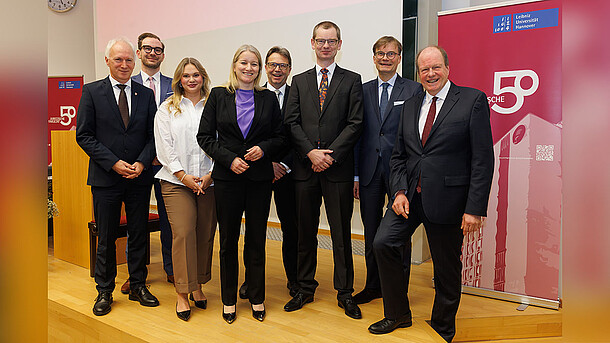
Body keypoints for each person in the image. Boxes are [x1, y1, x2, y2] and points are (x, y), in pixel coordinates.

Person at [369, 46, 494, 342]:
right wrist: (398, 190)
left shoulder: (472, 100)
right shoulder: (410, 105)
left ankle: (442, 327)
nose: (430, 73)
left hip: (450, 200)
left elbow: (482, 159)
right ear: (418, 73)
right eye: (424, 69)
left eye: (435, 67)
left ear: (447, 68)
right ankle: (397, 314)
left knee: (446, 267)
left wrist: (474, 208)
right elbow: (399, 156)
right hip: (410, 197)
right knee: (383, 243)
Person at [197, 44, 285, 324]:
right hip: (227, 179)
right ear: (234, 65)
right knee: (228, 242)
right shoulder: (219, 96)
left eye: (254, 64)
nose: (249, 68)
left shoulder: (269, 98)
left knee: (257, 240)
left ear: (260, 70)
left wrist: (263, 149)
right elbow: (205, 136)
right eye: (244, 63)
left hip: (259, 180)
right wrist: (228, 159)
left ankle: (257, 297)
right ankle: (228, 300)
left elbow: (281, 137)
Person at [283, 21, 364, 319]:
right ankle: (304, 287)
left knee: (342, 234)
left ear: (339, 44)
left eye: (332, 41)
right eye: (321, 41)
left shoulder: (352, 80)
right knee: (306, 232)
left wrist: (329, 156)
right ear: (313, 43)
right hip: (305, 169)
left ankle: (345, 292)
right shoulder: (300, 82)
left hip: (337, 169)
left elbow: (356, 123)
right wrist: (311, 153)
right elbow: (291, 123)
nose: (326, 45)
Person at [76, 37, 159, 316]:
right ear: (107, 60)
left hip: (138, 177)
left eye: (128, 60)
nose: (124, 64)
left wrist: (141, 162)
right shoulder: (91, 92)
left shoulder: (145, 95)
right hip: (105, 179)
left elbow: (152, 136)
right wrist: (113, 163)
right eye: (118, 59)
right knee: (106, 237)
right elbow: (84, 135)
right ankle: (104, 291)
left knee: (138, 234)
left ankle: (137, 284)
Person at [352, 36, 422, 305]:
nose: (385, 58)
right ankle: (373, 286)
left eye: (391, 54)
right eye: (380, 53)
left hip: (399, 173)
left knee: (398, 234)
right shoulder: (363, 90)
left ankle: (397, 289)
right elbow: (358, 135)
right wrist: (356, 175)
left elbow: (415, 137)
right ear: (374, 57)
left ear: (399, 58)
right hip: (369, 173)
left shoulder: (414, 90)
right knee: (371, 232)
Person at [154, 57, 217, 322]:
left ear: (203, 77)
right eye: (186, 75)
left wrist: (210, 174)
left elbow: (223, 140)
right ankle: (182, 292)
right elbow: (164, 147)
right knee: (182, 233)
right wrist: (183, 175)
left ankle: (198, 285)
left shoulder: (215, 106)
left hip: (209, 180)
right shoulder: (167, 108)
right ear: (179, 79)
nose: (191, 80)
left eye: (196, 75)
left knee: (204, 233)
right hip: (176, 181)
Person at [239, 46, 298, 299]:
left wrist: (283, 165)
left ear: (289, 69)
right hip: (257, 173)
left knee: (292, 229)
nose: (277, 70)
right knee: (254, 229)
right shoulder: (253, 94)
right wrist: (266, 164)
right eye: (272, 65)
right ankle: (251, 280)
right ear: (265, 68)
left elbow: (301, 137)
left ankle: (295, 280)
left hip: (289, 172)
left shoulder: (300, 94)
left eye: (282, 65)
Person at [121, 32, 174, 295]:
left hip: (168, 165)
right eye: (148, 49)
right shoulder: (125, 86)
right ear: (139, 53)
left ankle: (173, 269)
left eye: (158, 49)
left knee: (169, 219)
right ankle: (136, 273)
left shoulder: (176, 85)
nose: (153, 53)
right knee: (137, 221)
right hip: (138, 164)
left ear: (163, 55)